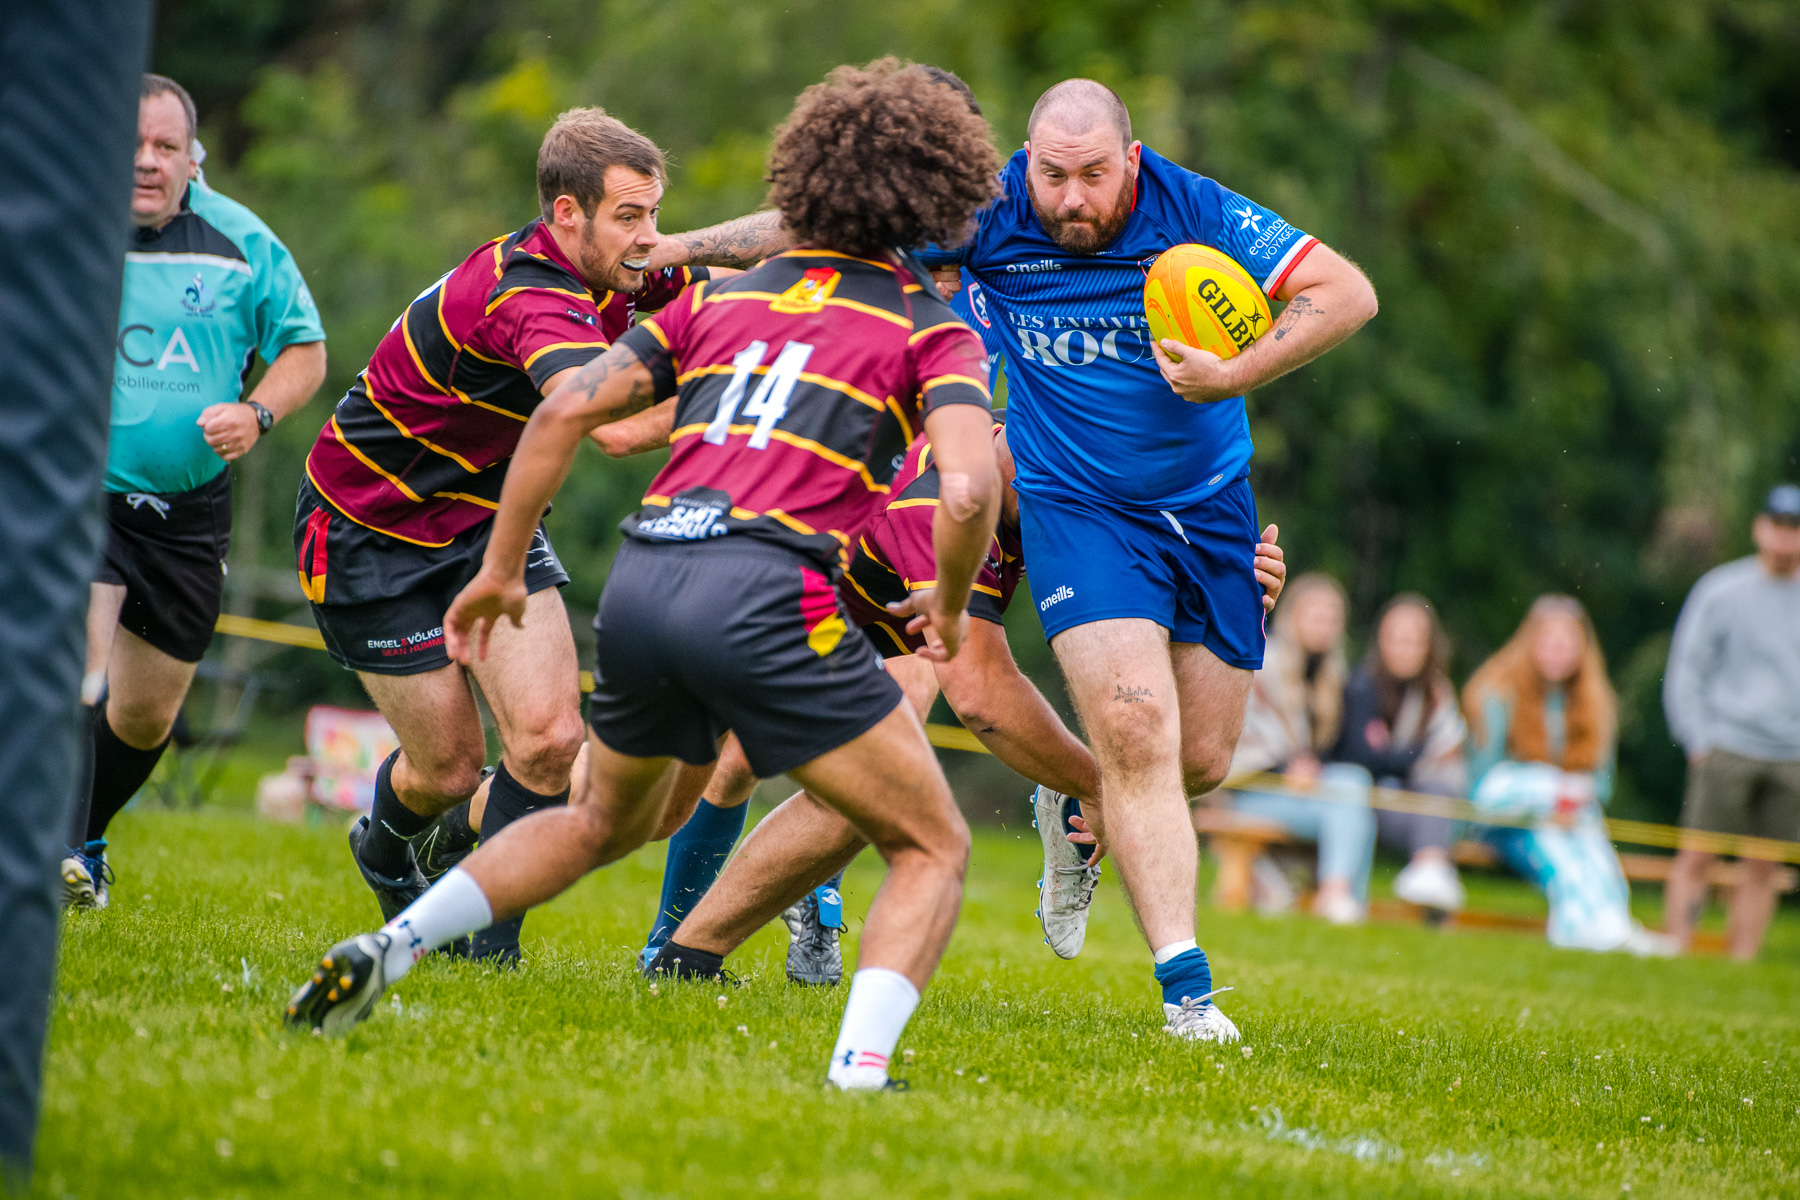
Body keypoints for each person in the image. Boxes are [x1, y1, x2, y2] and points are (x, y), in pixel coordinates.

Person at [287, 60, 1006, 1094]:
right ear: (942, 196)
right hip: (764, 596)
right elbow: (971, 488)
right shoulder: (931, 325)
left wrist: (499, 568)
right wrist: (945, 596)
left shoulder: (725, 305)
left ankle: (390, 949)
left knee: (602, 818)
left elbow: (568, 409)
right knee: (931, 839)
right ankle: (859, 1069)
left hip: (647, 575)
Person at [652, 76, 1379, 1040]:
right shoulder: (977, 232)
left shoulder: (1189, 212)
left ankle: (688, 949)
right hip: (976, 506)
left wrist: (1233, 376)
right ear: (1020, 164)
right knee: (988, 736)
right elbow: (811, 228)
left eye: (1092, 176)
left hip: (1169, 513)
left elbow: (1348, 293)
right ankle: (1185, 994)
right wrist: (674, 253)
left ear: (1132, 158)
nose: (1070, 199)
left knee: (1187, 760)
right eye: (1051, 176)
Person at [636, 423, 1289, 981]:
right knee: (734, 771)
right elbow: (983, 699)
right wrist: (1100, 784)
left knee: (873, 779)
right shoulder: (950, 501)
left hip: (880, 611)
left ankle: (686, 956)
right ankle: (680, 946)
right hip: (783, 590)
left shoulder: (1072, 465)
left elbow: (1149, 614)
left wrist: (1232, 585)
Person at [288, 108, 713, 964]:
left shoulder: (617, 268)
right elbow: (608, 425)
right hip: (367, 530)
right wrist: (749, 395)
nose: (650, 238)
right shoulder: (528, 293)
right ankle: (385, 844)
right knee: (446, 770)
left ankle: (489, 948)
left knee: (553, 740)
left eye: (656, 215)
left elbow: (734, 279)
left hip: (486, 519)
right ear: (567, 214)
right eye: (630, 218)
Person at [60, 74, 327, 909]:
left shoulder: (241, 242)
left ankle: (85, 840)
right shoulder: (63, 233)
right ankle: (51, 846)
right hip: (85, 492)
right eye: (132, 144)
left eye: (164, 146)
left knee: (144, 716)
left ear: (191, 155)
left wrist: (256, 414)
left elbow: (305, 352)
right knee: (82, 670)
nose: (146, 161)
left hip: (189, 511)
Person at [1463, 596, 1670, 955]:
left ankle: (1613, 921)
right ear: (1530, 642)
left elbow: (1600, 783)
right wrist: (1547, 794)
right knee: (1554, 840)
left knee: (1592, 839)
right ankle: (1578, 926)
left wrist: (1569, 799)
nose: (1558, 651)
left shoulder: (1596, 704)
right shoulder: (1496, 694)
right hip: (1510, 822)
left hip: (1573, 816)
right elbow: (1484, 787)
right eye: (1549, 641)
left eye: (1568, 642)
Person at [1661, 484, 1800, 959]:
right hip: (1727, 744)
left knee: (1765, 866)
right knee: (1698, 855)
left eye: (1795, 528)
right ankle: (1676, 948)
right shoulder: (1721, 590)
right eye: (1779, 525)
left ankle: (1741, 960)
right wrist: (1696, 736)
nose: (1786, 538)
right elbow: (1687, 667)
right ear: (1760, 527)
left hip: (1792, 754)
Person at [1223, 574, 1376, 924]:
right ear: (1294, 616)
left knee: (1355, 788)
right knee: (1351, 793)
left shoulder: (1333, 676)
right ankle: (1340, 897)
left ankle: (1343, 899)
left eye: (1331, 618)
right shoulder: (1265, 662)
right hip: (1251, 790)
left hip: (1304, 793)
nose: (1323, 626)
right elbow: (1242, 740)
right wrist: (1284, 769)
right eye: (1315, 616)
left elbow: (1330, 750)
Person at [1331, 593, 1469, 913]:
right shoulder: (1361, 686)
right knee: (1429, 808)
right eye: (1396, 638)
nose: (1404, 648)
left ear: (1429, 645)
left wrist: (1395, 754)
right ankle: (1432, 868)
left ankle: (1430, 870)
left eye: (1414, 640)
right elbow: (1362, 759)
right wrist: (1415, 755)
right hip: (1372, 797)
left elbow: (1449, 768)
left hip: (1425, 799)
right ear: (1380, 641)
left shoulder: (1437, 694)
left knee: (1439, 792)